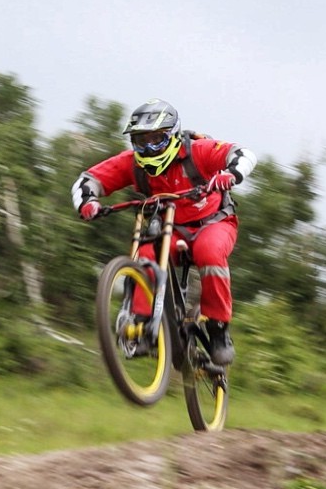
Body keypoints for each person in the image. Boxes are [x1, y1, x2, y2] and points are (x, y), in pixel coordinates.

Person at [71, 99, 257, 367]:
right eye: (141, 141)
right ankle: (141, 323)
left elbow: (243, 154)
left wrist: (230, 174)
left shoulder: (197, 151)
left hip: (214, 223)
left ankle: (218, 331)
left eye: (156, 140)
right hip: (171, 230)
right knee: (145, 253)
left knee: (209, 251)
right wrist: (88, 203)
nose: (148, 148)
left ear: (172, 136)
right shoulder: (133, 164)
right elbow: (88, 180)